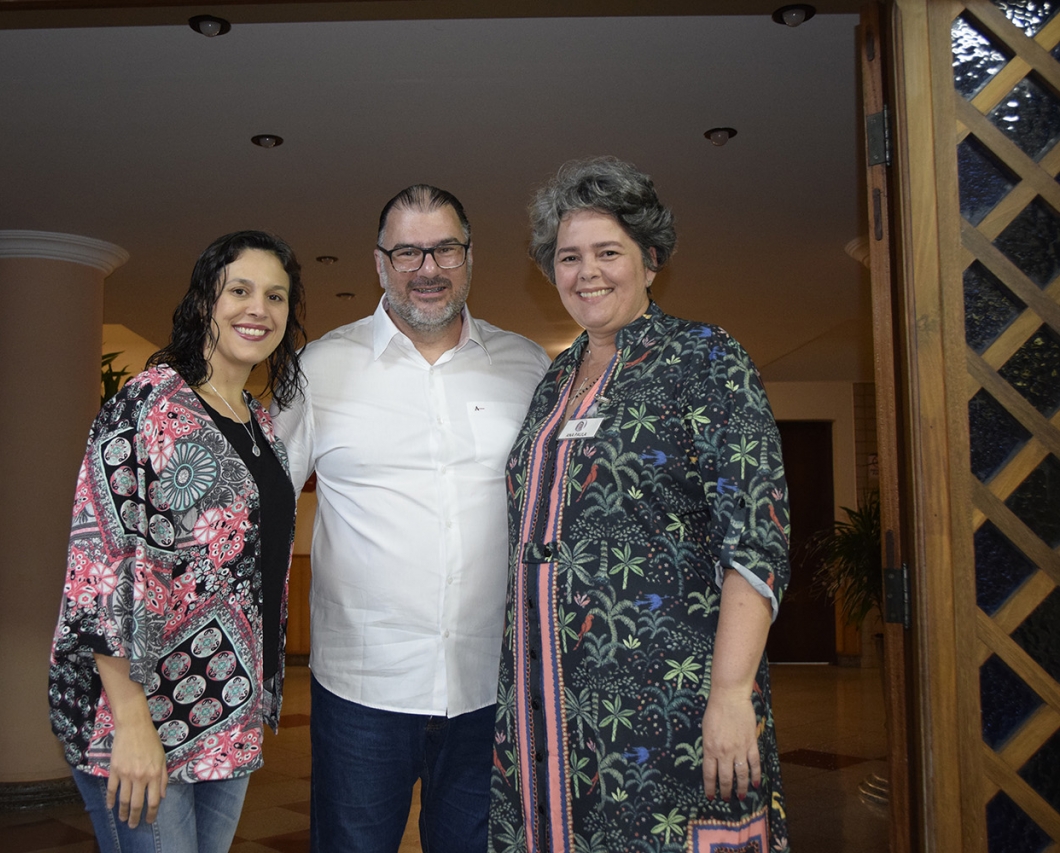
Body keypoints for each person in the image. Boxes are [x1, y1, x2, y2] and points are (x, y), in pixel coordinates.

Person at [489, 157, 791, 852]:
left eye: (608, 252)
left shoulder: (704, 358)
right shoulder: (554, 380)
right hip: (545, 707)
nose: (586, 272)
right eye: (569, 257)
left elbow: (756, 537)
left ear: (650, 260)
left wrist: (731, 692)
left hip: (669, 703)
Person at [271, 185, 550, 853]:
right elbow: (262, 505)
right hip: (361, 690)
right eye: (407, 252)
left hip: (489, 687)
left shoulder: (528, 366)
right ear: (379, 263)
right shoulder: (319, 369)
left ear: (470, 257)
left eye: (445, 249)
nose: (428, 269)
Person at [48, 230, 305, 853]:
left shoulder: (262, 426)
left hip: (226, 710)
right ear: (203, 303)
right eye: (239, 290)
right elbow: (101, 563)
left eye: (275, 296)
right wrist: (131, 718)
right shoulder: (147, 404)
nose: (259, 309)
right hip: (139, 709)